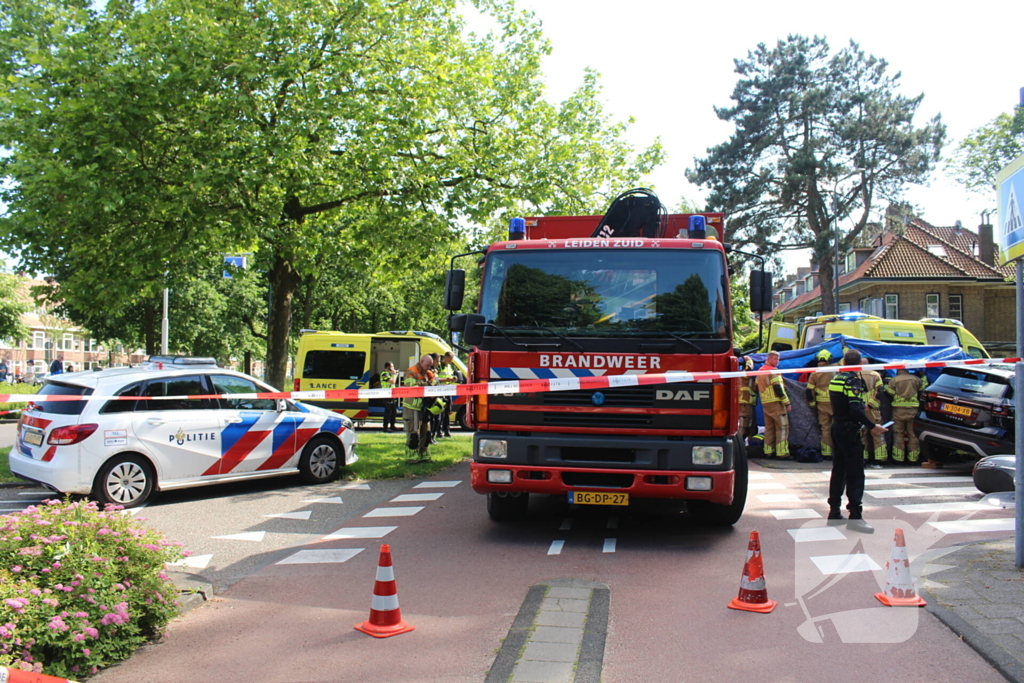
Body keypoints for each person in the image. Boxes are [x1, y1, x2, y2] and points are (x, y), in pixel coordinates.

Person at [828, 349, 888, 534]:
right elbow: (855, 409)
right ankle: (855, 516)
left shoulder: (835, 379)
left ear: (844, 362)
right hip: (849, 429)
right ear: (859, 365)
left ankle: (834, 511)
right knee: (855, 473)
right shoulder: (853, 381)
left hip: (836, 426)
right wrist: (872, 426)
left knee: (839, 469)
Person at [886, 368, 927, 466]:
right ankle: (913, 458)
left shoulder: (894, 380)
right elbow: (923, 388)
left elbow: (890, 393)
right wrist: (923, 375)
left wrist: (886, 385)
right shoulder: (915, 379)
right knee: (913, 434)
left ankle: (898, 459)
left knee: (898, 434)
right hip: (913, 409)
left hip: (898, 410)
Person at [755, 350, 791, 459]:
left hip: (765, 403)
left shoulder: (760, 371)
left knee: (769, 427)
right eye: (775, 359)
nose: (777, 361)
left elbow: (756, 386)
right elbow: (778, 388)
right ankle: (782, 453)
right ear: (769, 359)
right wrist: (787, 402)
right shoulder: (773, 371)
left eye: (778, 359)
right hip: (776, 403)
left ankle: (768, 451)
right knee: (782, 427)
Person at [402, 354, 436, 463]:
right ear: (421, 362)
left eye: (430, 366)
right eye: (427, 365)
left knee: (426, 433)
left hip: (424, 407)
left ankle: (424, 456)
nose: (429, 368)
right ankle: (411, 457)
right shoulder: (411, 372)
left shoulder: (428, 372)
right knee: (413, 433)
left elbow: (435, 385)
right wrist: (427, 385)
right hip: (412, 407)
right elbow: (412, 388)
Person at [805, 350, 835, 459]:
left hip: (822, 404)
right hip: (835, 403)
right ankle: (837, 450)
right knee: (837, 427)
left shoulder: (815, 372)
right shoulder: (835, 370)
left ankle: (826, 452)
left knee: (825, 428)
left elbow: (809, 390)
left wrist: (812, 404)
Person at [860, 366, 886, 468]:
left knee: (862, 434)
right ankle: (880, 460)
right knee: (877, 434)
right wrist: (870, 405)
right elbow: (880, 392)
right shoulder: (875, 375)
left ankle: (863, 458)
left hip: (859, 409)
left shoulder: (856, 374)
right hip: (873, 410)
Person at [434, 352, 458, 438]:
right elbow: (435, 378)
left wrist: (453, 379)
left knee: (448, 411)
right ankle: (439, 431)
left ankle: (447, 430)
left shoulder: (449, 366)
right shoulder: (439, 365)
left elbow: (450, 376)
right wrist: (446, 379)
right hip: (440, 391)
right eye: (450, 359)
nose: (450, 361)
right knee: (440, 411)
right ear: (446, 357)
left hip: (448, 391)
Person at [738, 356, 757, 440]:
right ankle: (740, 440)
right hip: (745, 402)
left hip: (745, 402)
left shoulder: (737, 375)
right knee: (744, 424)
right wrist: (749, 359)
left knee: (748, 424)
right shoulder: (744, 375)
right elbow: (749, 368)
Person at [379, 362, 399, 433]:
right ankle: (385, 427)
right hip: (386, 395)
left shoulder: (390, 374)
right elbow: (393, 381)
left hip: (392, 395)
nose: (393, 368)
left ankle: (392, 426)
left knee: (393, 412)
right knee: (388, 412)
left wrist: (394, 374)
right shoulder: (384, 374)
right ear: (388, 367)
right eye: (392, 367)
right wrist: (395, 374)